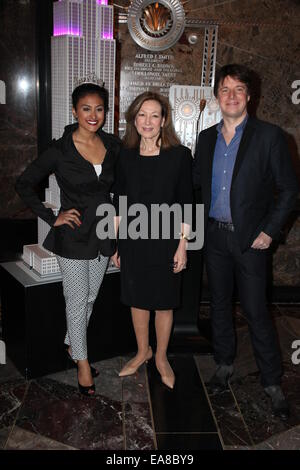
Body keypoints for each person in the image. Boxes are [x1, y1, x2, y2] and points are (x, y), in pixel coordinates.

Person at [193, 63, 299, 420]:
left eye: (239, 89)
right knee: (219, 305)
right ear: (217, 96)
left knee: (256, 312)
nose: (232, 96)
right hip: (215, 237)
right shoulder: (206, 139)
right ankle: (223, 366)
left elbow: (289, 190)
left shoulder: (270, 137)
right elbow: (196, 188)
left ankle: (271, 382)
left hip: (251, 241)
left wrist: (270, 231)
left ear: (249, 96)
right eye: (225, 89)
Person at [16, 82, 121, 396]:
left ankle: (71, 346)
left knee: (90, 297)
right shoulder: (60, 149)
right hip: (73, 235)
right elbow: (24, 183)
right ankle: (84, 366)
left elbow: (127, 186)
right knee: (76, 302)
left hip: (104, 231)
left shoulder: (113, 145)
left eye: (99, 109)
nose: (93, 115)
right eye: (86, 108)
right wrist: (52, 217)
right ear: (74, 111)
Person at [111, 91, 193, 389]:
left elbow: (186, 203)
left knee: (164, 302)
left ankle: (160, 357)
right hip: (133, 239)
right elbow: (119, 201)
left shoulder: (179, 155)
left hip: (167, 239)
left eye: (154, 115)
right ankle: (142, 351)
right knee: (137, 299)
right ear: (134, 120)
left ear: (164, 120)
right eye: (141, 115)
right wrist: (116, 243)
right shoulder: (125, 155)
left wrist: (183, 245)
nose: (147, 121)